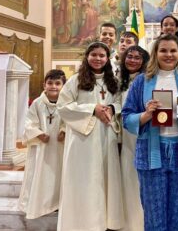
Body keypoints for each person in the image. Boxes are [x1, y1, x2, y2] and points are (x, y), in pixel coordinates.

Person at [122, 34, 178, 231]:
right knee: (154, 219)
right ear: (155, 53)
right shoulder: (142, 82)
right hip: (152, 154)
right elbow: (126, 117)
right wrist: (145, 115)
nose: (168, 55)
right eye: (163, 50)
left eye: (173, 50)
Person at [57, 42, 124, 231]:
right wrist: (92, 109)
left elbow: (119, 102)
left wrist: (111, 108)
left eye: (102, 55)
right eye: (94, 55)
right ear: (87, 57)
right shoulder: (76, 80)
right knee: (85, 178)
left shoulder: (113, 81)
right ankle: (83, 222)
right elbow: (63, 106)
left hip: (106, 134)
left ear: (107, 58)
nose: (98, 58)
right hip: (82, 139)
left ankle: (106, 222)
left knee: (105, 177)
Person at [18, 69, 66, 219]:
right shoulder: (37, 103)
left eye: (58, 83)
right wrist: (38, 134)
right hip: (42, 146)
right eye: (50, 83)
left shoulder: (67, 103)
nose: (53, 86)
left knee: (59, 174)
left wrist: (64, 130)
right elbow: (28, 122)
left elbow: (70, 119)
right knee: (40, 173)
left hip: (60, 146)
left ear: (64, 85)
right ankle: (38, 203)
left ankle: (58, 203)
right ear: (44, 85)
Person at [118, 45, 150, 231]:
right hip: (122, 134)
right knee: (126, 178)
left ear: (144, 61)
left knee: (139, 180)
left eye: (138, 58)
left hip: (141, 132)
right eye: (129, 56)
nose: (132, 60)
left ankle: (140, 223)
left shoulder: (147, 80)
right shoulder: (117, 80)